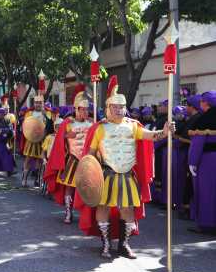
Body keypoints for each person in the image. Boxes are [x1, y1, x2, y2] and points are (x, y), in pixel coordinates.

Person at [75, 76, 173, 259]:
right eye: (116, 107)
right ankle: (105, 243)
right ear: (108, 108)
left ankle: (124, 244)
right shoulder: (99, 128)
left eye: (122, 107)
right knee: (103, 207)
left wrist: (164, 132)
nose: (120, 110)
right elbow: (90, 153)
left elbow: (150, 136)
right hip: (106, 174)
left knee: (127, 209)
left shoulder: (133, 126)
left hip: (127, 175)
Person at [44, 86, 93, 224]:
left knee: (88, 188)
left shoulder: (92, 124)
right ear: (76, 109)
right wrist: (66, 135)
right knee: (69, 187)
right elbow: (59, 140)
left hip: (87, 161)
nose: (85, 112)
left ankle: (87, 214)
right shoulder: (68, 123)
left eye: (86, 109)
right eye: (82, 109)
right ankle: (68, 211)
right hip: (72, 159)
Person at [188, 91, 216, 233]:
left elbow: (198, 143)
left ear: (206, 103)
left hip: (208, 161)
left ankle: (207, 224)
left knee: (207, 192)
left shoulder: (205, 119)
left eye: (202, 101)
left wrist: (192, 161)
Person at [22, 94, 47, 187]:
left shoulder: (47, 114)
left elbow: (50, 126)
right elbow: (25, 126)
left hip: (42, 140)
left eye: (40, 103)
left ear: (42, 104)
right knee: (28, 159)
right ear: (34, 103)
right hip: (31, 140)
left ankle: (37, 178)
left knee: (39, 160)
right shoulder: (29, 114)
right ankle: (24, 178)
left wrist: (46, 118)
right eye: (36, 102)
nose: (38, 104)